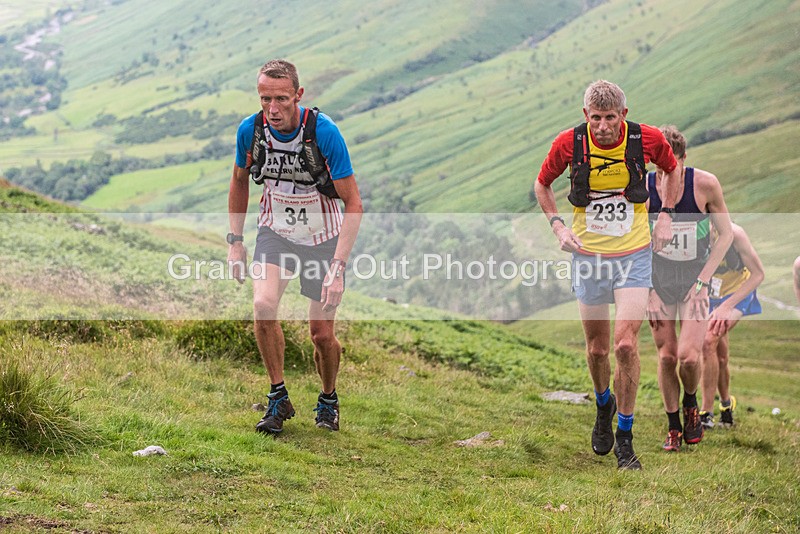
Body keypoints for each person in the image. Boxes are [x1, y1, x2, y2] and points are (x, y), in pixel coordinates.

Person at [534, 80, 682, 470]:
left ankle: (625, 439)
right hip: (588, 257)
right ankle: (604, 404)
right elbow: (542, 184)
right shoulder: (569, 143)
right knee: (598, 350)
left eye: (610, 118)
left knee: (625, 346)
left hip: (634, 255)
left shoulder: (646, 139)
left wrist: (666, 214)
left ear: (623, 115)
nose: (602, 126)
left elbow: (672, 169)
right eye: (596, 118)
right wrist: (558, 228)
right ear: (586, 115)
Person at [227, 59, 363, 435]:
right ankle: (278, 396)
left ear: (298, 95)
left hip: (323, 240)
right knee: (262, 305)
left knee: (321, 334)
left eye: (281, 99)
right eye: (265, 99)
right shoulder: (251, 131)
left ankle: (328, 398)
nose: (272, 108)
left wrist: (338, 267)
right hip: (276, 233)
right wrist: (235, 242)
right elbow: (239, 180)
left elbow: (354, 202)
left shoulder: (324, 132)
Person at [646, 125, 733, 453]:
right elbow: (635, 243)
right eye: (659, 169)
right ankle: (673, 427)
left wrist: (704, 281)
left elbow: (725, 235)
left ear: (683, 159)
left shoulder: (705, 185)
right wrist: (648, 290)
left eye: (672, 167)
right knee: (667, 356)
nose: (665, 176)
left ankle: (691, 404)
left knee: (689, 358)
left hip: (695, 281)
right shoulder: (643, 189)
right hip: (659, 283)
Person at [699, 222, 764, 429]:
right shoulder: (694, 233)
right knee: (720, 356)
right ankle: (726, 405)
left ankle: (706, 414)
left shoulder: (735, 234)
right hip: (710, 295)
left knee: (708, 341)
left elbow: (758, 274)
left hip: (736, 294)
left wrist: (726, 307)